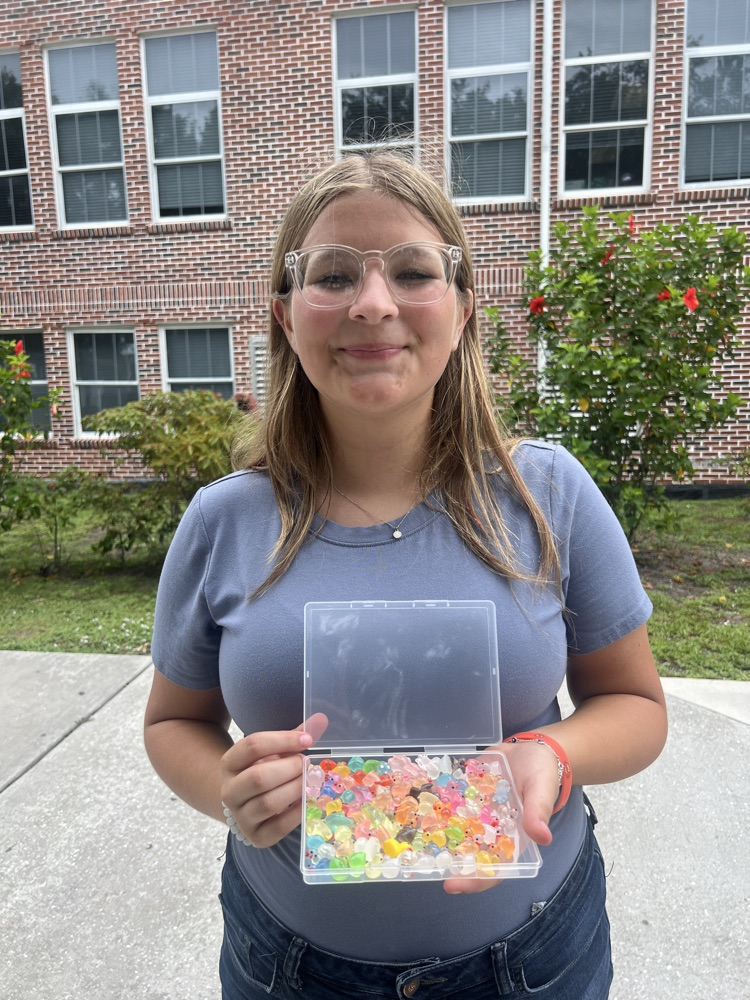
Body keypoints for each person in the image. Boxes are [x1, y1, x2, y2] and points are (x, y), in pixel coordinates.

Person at [145, 151, 668, 1000]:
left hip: (532, 958)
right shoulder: (223, 521)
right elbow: (175, 722)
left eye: (415, 271)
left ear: (463, 309)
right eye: (334, 274)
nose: (373, 303)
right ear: (285, 314)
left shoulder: (549, 496)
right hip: (288, 962)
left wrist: (552, 751)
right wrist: (226, 789)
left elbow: (637, 707)